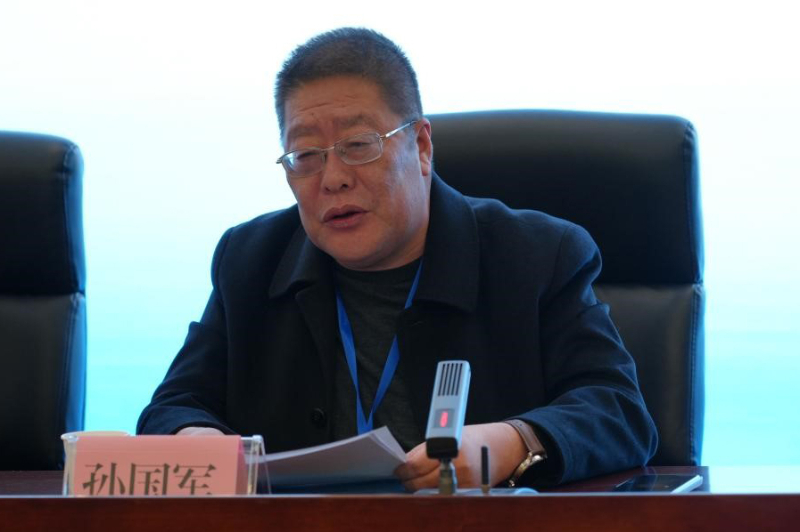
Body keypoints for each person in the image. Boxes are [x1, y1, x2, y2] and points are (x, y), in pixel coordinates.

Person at [137, 27, 657, 490]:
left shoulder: (537, 255)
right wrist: (196, 439)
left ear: (422, 146)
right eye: (306, 156)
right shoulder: (250, 260)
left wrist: (512, 442)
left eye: (358, 145)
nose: (333, 178)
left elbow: (619, 411)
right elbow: (175, 405)